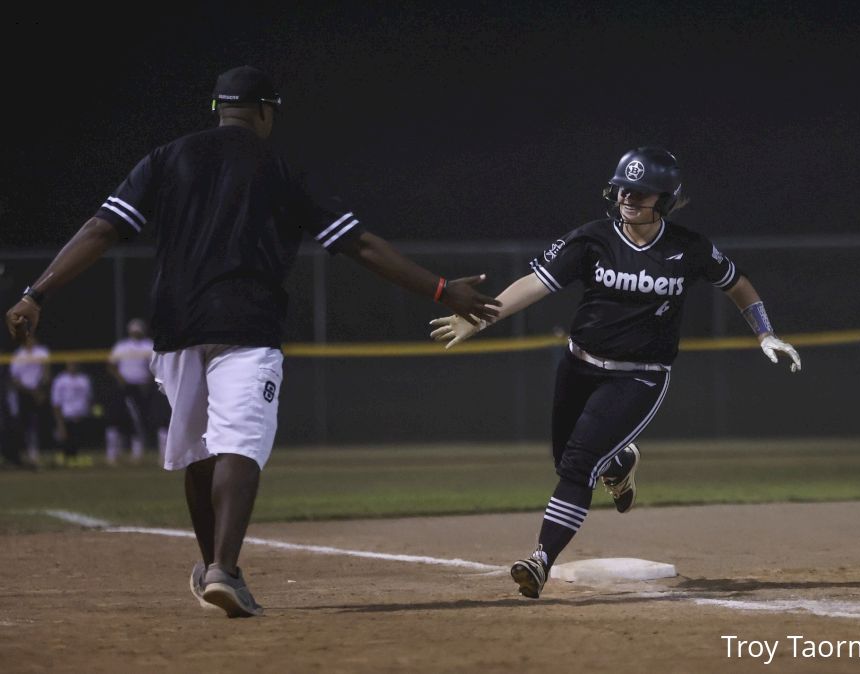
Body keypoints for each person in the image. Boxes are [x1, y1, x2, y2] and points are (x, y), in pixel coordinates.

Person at [5, 65, 500, 618]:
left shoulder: (166, 158)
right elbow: (361, 246)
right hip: (247, 324)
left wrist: (36, 294)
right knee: (240, 442)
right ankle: (222, 568)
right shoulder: (281, 169)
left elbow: (101, 228)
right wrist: (440, 289)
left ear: (218, 108)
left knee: (197, 450)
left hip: (175, 328)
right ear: (265, 111)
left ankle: (213, 566)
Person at [430, 147, 801, 599]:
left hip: (640, 376)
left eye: (642, 192)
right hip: (578, 366)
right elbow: (535, 283)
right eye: (624, 187)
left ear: (664, 199)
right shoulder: (592, 239)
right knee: (566, 458)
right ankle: (621, 460)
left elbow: (737, 284)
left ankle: (540, 560)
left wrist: (765, 333)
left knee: (578, 464)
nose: (629, 197)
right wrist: (481, 315)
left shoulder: (689, 248)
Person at [106, 317, 167, 465]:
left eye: (138, 332)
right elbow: (111, 365)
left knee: (145, 418)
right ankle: (118, 454)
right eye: (134, 332)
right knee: (125, 419)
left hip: (145, 387)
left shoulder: (148, 345)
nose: (136, 334)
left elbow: (156, 366)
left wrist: (151, 380)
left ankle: (140, 454)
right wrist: (120, 379)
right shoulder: (122, 346)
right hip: (126, 387)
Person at [9, 335, 51, 465]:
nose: (31, 341)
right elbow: (15, 379)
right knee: (25, 425)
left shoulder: (42, 351)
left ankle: (44, 453)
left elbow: (46, 372)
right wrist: (31, 392)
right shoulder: (18, 354)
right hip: (24, 393)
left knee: (42, 423)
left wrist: (41, 390)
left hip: (40, 391)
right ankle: (27, 454)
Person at [51, 361, 94, 468]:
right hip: (67, 416)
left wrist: (87, 412)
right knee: (66, 442)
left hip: (81, 416)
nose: (73, 366)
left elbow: (89, 398)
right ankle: (65, 462)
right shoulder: (60, 380)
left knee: (78, 443)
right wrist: (60, 422)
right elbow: (56, 402)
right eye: (71, 364)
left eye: (75, 364)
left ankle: (75, 462)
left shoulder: (84, 379)